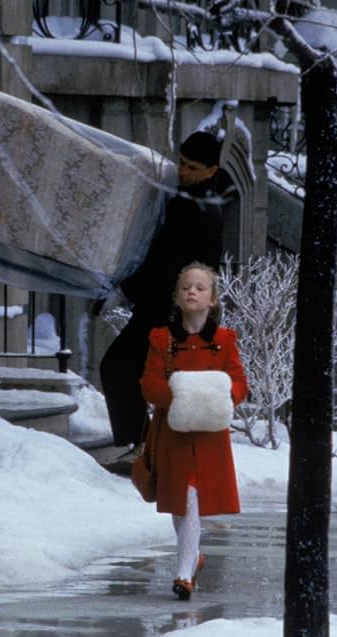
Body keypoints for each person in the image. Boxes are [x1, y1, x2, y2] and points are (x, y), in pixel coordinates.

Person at [99, 131, 228, 459]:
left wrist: (125, 291)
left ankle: (141, 447)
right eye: (181, 162)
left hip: (168, 310)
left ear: (211, 170)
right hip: (177, 309)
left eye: (192, 167)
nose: (183, 171)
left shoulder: (192, 208)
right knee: (142, 374)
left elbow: (165, 263)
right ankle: (145, 446)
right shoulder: (201, 199)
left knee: (119, 367)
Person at [139, 262, 248, 600]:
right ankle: (193, 557)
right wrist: (182, 396)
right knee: (179, 503)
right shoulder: (162, 339)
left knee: (190, 499)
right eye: (186, 286)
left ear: (212, 299)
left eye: (200, 287)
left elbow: (239, 383)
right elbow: (150, 384)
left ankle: (184, 573)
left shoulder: (225, 341)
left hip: (209, 436)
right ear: (176, 296)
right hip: (173, 432)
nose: (192, 292)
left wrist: (221, 397)